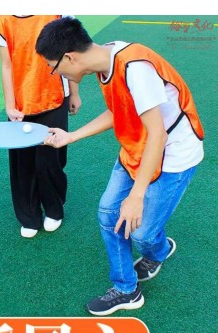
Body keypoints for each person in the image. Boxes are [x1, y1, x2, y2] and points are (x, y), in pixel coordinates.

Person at [35, 17, 204, 315]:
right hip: (135, 148)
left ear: (70, 58)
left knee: (142, 234)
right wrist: (71, 136)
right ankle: (127, 289)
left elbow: (158, 135)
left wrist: (136, 197)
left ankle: (158, 250)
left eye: (53, 67)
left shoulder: (135, 68)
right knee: (108, 214)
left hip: (174, 156)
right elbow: (119, 112)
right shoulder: (105, 61)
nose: (55, 73)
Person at [0, 15, 82, 238]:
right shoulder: (2, 20)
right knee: (22, 164)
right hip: (20, 106)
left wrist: (74, 93)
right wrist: (10, 106)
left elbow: (70, 54)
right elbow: (6, 66)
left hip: (54, 99)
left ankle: (54, 209)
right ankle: (29, 217)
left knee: (50, 160)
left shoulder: (58, 12)